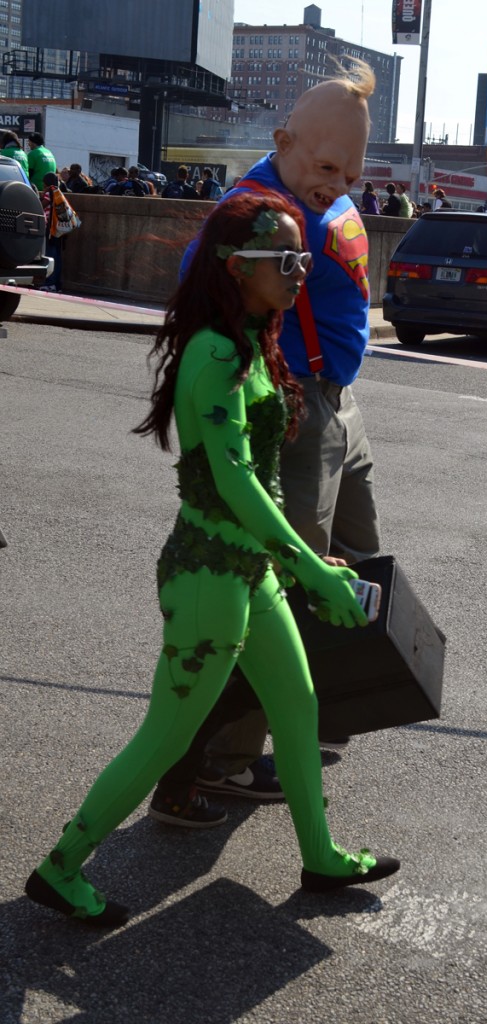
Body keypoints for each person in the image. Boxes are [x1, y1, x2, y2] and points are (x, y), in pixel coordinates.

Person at [24, 190, 400, 928]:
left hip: (247, 572)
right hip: (208, 577)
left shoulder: (252, 339)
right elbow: (235, 480)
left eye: (304, 257)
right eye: (285, 259)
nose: (301, 271)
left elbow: (253, 483)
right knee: (164, 738)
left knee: (296, 706)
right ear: (236, 267)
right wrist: (311, 566)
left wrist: (292, 565)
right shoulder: (217, 350)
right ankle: (60, 867)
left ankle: (320, 854)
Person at [155, 60, 382, 818]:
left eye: (351, 171)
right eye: (325, 167)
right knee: (286, 583)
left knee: (358, 554)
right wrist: (252, 384)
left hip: (338, 405)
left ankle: (317, 706)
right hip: (300, 405)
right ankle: (221, 760)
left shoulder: (320, 189)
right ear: (284, 142)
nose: (339, 183)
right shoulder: (254, 208)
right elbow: (199, 284)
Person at [39, 172, 65, 292]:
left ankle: (50, 283)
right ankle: (57, 284)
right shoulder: (58, 191)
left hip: (50, 229)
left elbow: (40, 207)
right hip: (58, 228)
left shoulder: (49, 193)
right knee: (57, 257)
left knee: (50, 256)